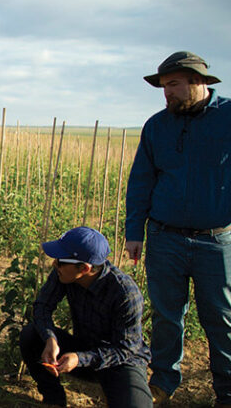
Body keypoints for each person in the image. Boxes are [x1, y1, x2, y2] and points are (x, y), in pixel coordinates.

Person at [125, 51, 231, 407]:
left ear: (198, 82)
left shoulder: (228, 117)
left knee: (220, 317)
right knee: (167, 314)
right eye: (163, 86)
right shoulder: (157, 125)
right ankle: (163, 382)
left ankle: (227, 391)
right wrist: (134, 231)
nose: (166, 93)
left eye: (173, 85)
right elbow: (141, 180)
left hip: (216, 240)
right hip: (164, 237)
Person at [20, 227, 152, 407]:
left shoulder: (125, 294)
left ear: (84, 268)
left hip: (121, 363)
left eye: (60, 261)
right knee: (31, 335)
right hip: (83, 350)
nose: (54, 264)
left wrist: (81, 358)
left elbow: (126, 349)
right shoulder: (64, 274)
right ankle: (54, 400)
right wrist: (50, 339)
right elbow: (42, 307)